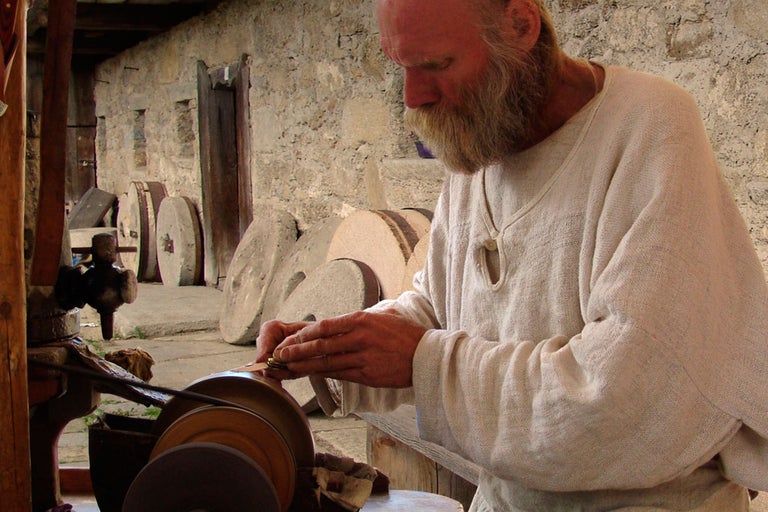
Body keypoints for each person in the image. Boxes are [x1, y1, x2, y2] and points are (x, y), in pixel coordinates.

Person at [255, 0, 768, 510]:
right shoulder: (480, 135)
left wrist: (423, 361)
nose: (413, 97)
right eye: (401, 68)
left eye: (435, 65)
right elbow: (437, 306)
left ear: (520, 25)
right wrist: (331, 347)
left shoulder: (650, 125)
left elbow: (626, 397)